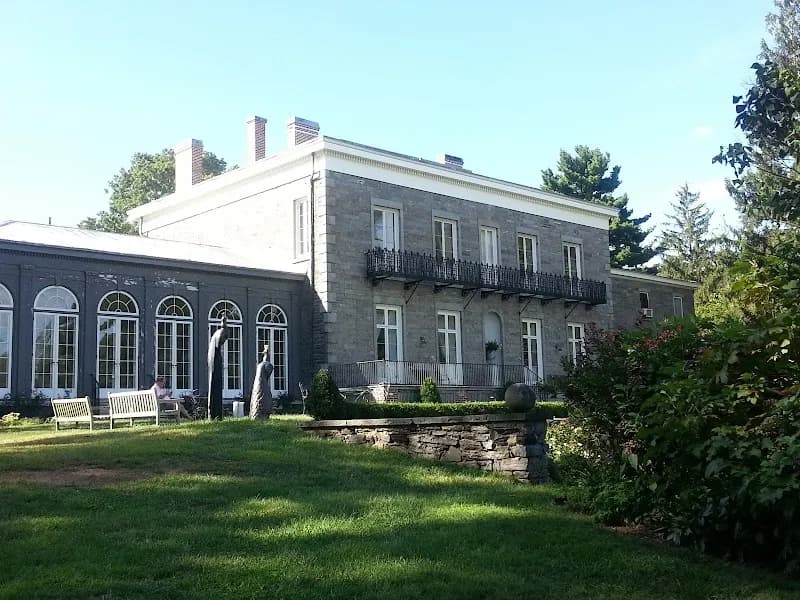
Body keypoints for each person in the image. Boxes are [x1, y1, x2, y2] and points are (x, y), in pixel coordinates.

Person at [207, 313, 229, 420]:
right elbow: (220, 340)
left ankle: (214, 413)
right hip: (215, 361)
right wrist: (225, 330)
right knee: (216, 385)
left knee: (214, 385)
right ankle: (216, 414)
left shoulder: (215, 334)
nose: (225, 341)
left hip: (213, 360)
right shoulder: (220, 332)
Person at [250, 344, 273, 420]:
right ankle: (262, 415)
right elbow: (268, 371)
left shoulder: (260, 365)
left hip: (259, 386)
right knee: (265, 399)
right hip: (262, 386)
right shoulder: (266, 365)